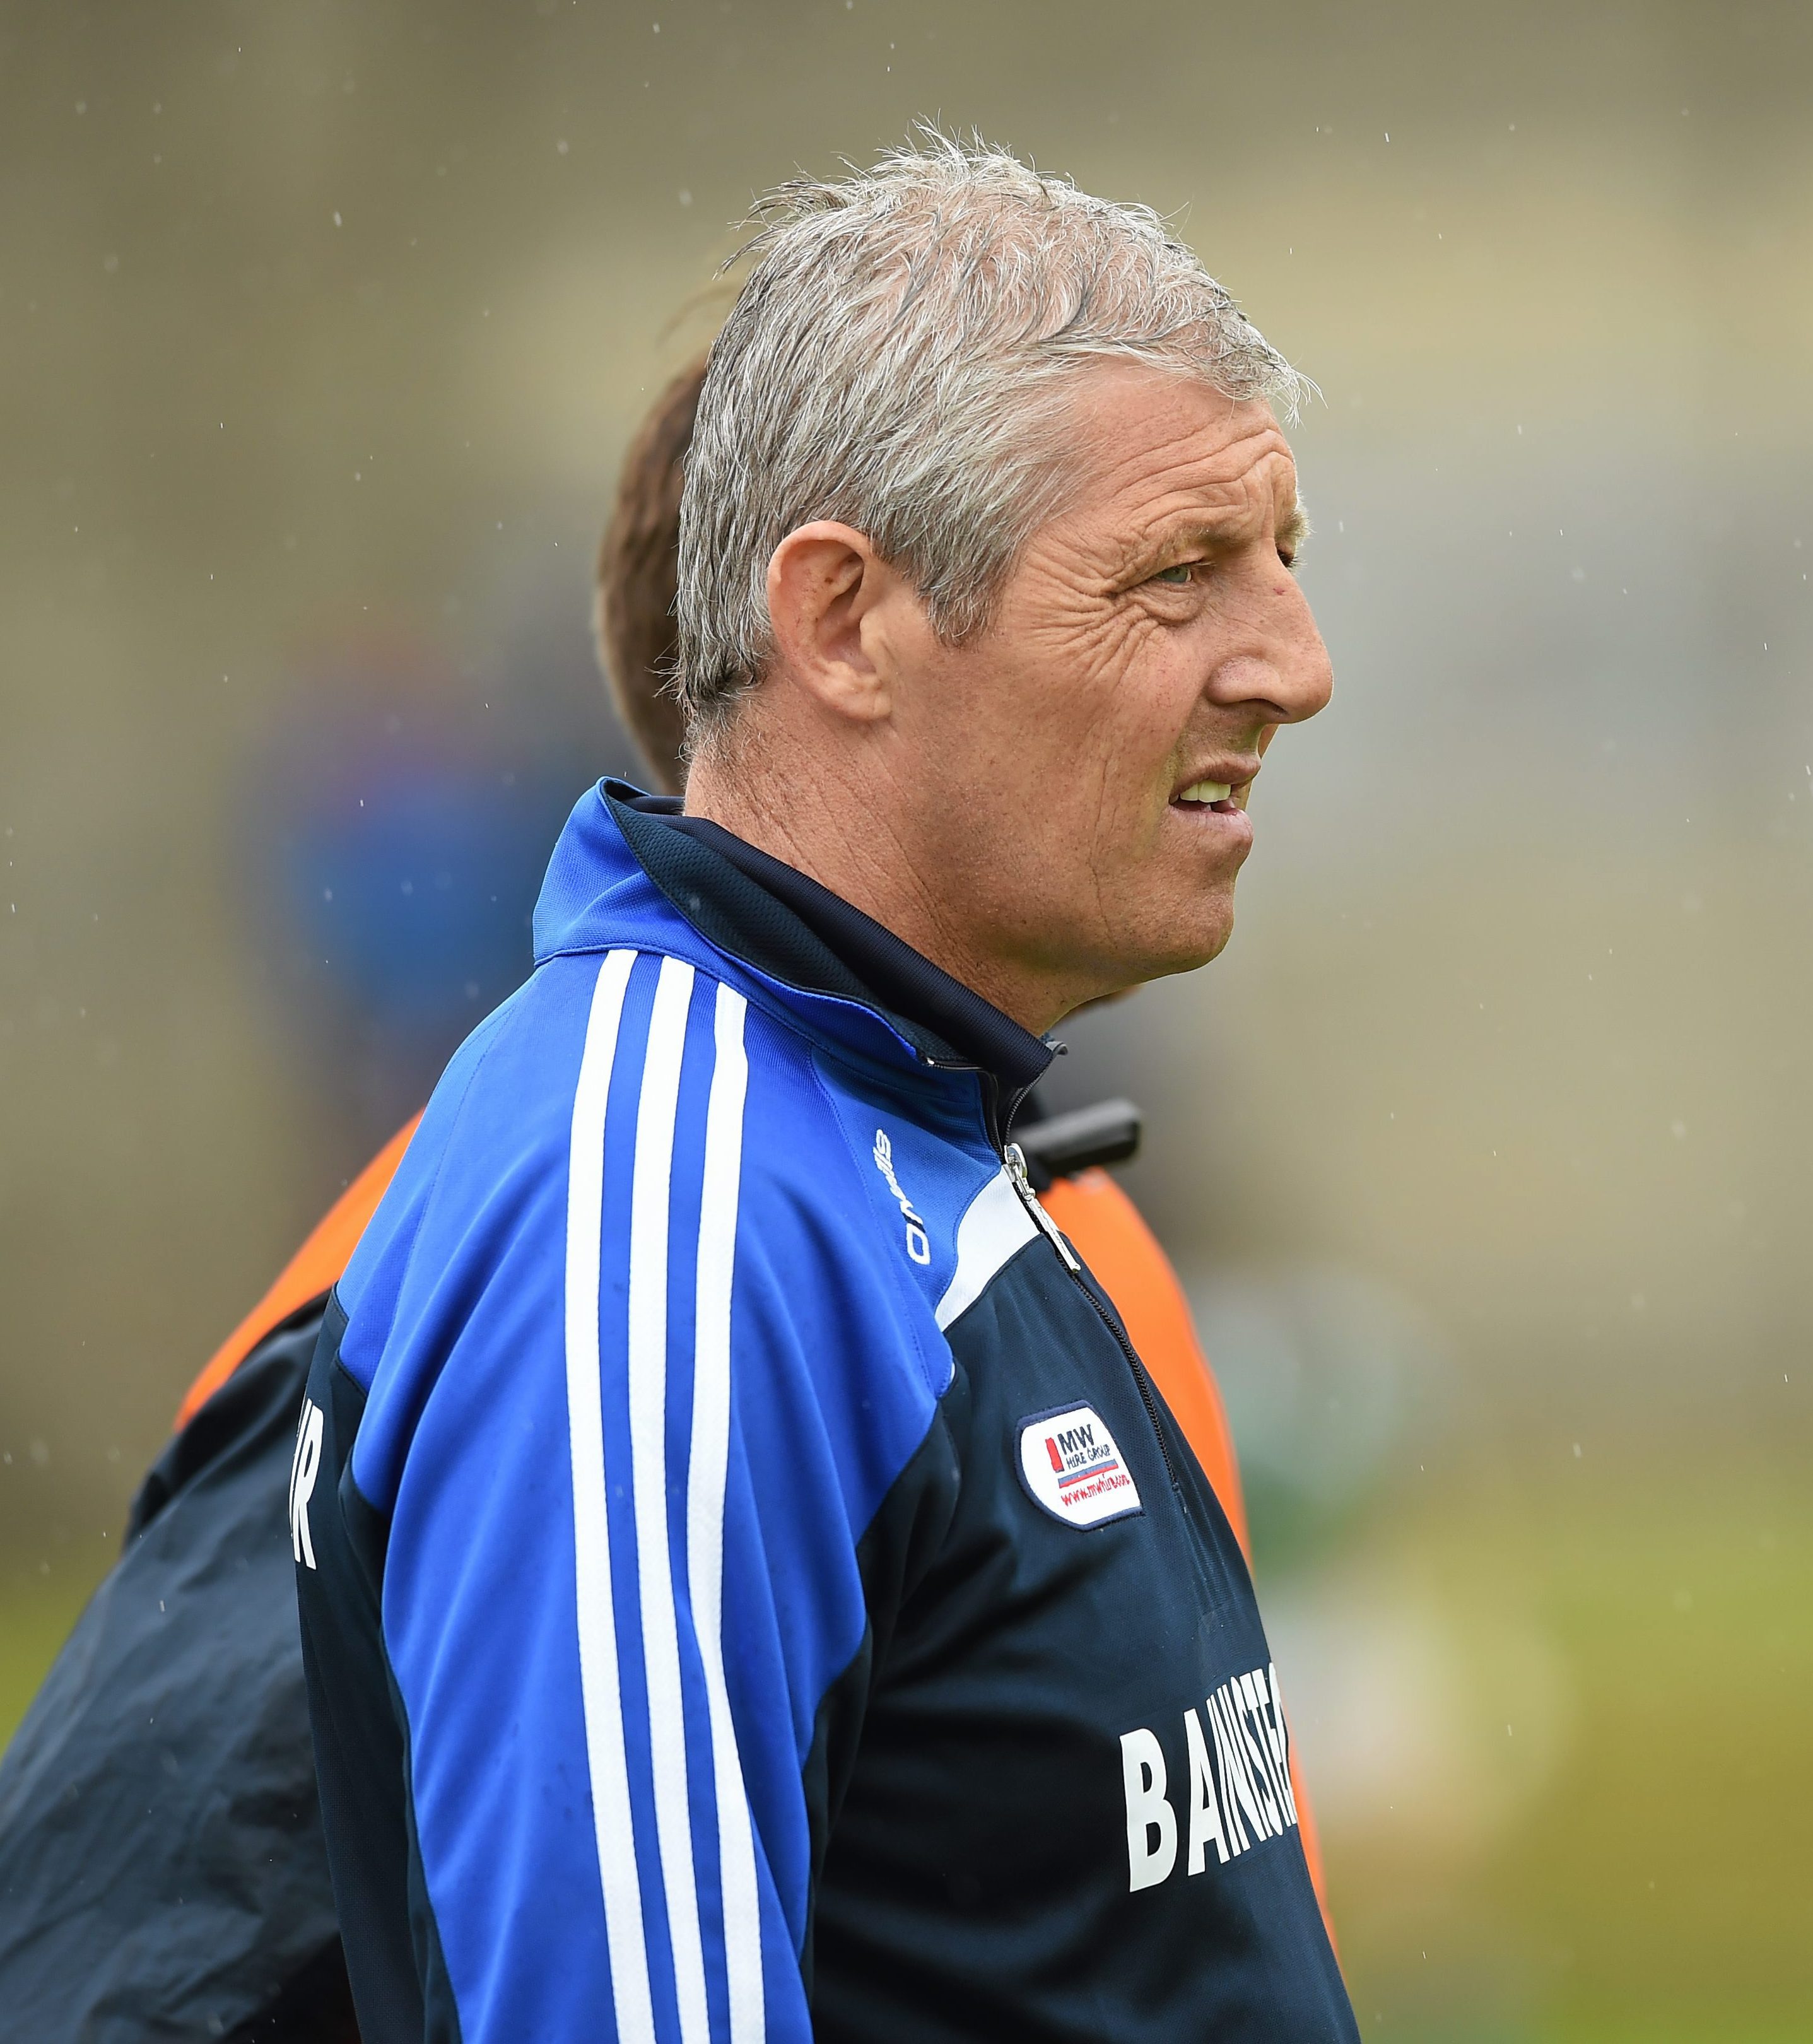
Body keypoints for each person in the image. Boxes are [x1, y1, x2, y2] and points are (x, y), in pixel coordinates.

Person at [290, 133, 1344, 2044]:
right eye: (1177, 576)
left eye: (1280, 561)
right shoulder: (664, 1224)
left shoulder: (912, 1122)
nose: (1294, 664)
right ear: (844, 620)